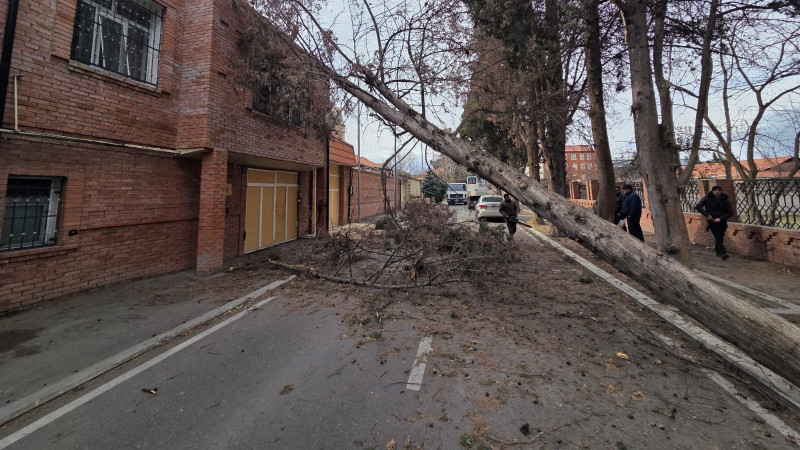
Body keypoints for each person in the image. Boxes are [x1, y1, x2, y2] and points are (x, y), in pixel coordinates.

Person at [695, 185, 733, 260]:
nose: (717, 192)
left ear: (721, 191)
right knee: (718, 236)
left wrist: (721, 218)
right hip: (712, 221)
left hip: (722, 221)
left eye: (719, 190)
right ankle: (723, 253)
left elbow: (731, 212)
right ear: (712, 191)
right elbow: (698, 207)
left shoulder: (725, 199)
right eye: (715, 190)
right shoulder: (707, 198)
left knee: (720, 236)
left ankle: (718, 252)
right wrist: (707, 215)